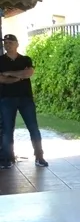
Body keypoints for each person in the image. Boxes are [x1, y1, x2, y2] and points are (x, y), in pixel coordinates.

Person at [0, 34, 46, 168]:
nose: (7, 45)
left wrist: (9, 73)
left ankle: (39, 157)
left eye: (10, 42)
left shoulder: (25, 59)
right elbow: (1, 79)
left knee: (33, 128)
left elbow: (29, 73)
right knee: (7, 130)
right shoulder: (0, 60)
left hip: (25, 99)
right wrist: (19, 76)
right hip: (7, 99)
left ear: (17, 44)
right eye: (5, 43)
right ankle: (8, 159)